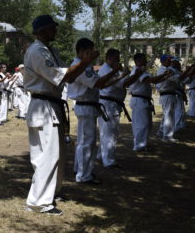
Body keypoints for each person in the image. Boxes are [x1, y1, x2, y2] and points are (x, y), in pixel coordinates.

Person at [23, 15, 98, 215]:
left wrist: (83, 64)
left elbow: (67, 75)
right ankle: (39, 202)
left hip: (52, 104)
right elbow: (62, 76)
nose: (55, 31)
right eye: (51, 28)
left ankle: (51, 193)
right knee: (47, 154)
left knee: (57, 154)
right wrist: (84, 62)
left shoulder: (50, 50)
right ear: (41, 30)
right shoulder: (37, 51)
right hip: (43, 105)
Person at [67, 38, 119, 184]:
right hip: (85, 106)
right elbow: (98, 83)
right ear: (83, 51)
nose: (93, 53)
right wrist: (114, 71)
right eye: (91, 50)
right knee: (87, 142)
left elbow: (99, 83)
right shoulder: (80, 66)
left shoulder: (84, 66)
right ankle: (84, 175)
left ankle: (80, 169)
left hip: (88, 105)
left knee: (84, 141)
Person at [97, 49, 133, 168]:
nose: (118, 61)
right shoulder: (106, 70)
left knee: (107, 131)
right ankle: (109, 160)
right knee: (110, 133)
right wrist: (126, 74)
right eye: (117, 58)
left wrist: (124, 74)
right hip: (108, 104)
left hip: (111, 104)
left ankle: (101, 155)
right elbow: (121, 84)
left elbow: (123, 82)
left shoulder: (111, 70)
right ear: (111, 58)